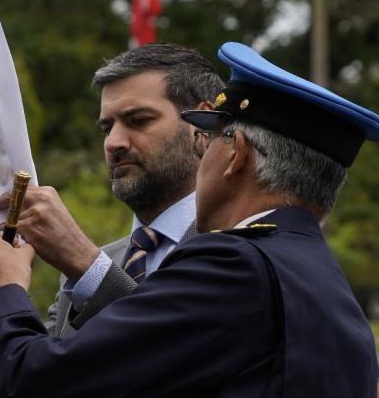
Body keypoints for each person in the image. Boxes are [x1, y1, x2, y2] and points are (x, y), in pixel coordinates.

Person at [0, 42, 379, 398]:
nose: (114, 143)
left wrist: (4, 289)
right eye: (107, 127)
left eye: (213, 138)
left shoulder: (237, 265)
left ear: (237, 156)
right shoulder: (315, 276)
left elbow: (40, 390)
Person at [13, 43, 224, 338]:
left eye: (138, 121)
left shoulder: (241, 250)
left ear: (203, 124)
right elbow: (40, 377)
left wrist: (87, 267)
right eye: (106, 128)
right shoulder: (89, 269)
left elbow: (175, 361)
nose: (113, 143)